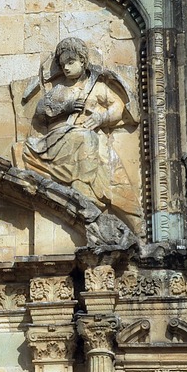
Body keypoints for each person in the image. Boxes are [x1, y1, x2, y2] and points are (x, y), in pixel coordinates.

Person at [23, 37, 142, 229]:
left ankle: (129, 216)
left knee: (113, 168)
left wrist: (101, 118)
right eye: (62, 65)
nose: (66, 68)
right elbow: (40, 112)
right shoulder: (59, 90)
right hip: (61, 139)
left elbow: (118, 108)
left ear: (83, 61)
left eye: (71, 63)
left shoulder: (97, 87)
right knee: (85, 138)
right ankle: (84, 191)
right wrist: (66, 107)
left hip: (91, 140)